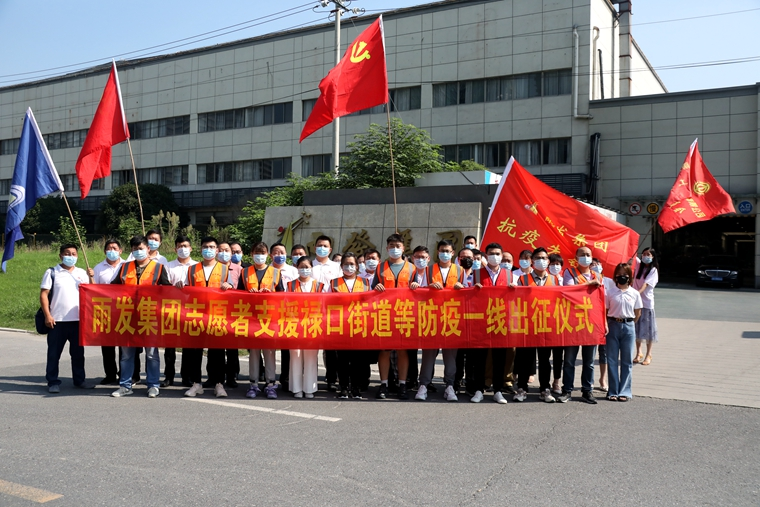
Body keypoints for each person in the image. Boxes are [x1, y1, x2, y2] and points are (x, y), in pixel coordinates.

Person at [111, 235, 171, 398]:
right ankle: (125, 385)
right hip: (127, 317)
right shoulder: (124, 268)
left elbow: (168, 291)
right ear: (131, 250)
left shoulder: (158, 268)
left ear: (148, 249)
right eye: (135, 249)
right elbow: (111, 289)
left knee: (151, 354)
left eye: (141, 248)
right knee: (127, 354)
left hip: (150, 316)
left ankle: (153, 385)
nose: (138, 251)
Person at [412, 240, 464, 402]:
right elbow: (418, 291)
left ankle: (449, 386)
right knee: (428, 354)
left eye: (447, 251)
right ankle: (424, 385)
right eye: (442, 250)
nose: (444, 253)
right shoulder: (428, 270)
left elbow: (468, 290)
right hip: (432, 317)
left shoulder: (460, 270)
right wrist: (425, 287)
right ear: (437, 252)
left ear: (453, 253)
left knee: (450, 355)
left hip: (451, 317)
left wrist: (461, 287)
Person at [181, 237, 231, 398]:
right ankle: (196, 383)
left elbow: (233, 291)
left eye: (211, 247)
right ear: (200, 249)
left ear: (217, 250)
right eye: (205, 247)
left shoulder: (224, 269)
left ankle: (218, 384)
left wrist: (229, 286)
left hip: (217, 315)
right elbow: (187, 290)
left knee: (217, 351)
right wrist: (179, 287)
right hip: (197, 314)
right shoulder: (192, 269)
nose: (208, 249)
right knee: (195, 351)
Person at [41, 244, 94, 393]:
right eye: (67, 253)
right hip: (57, 320)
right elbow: (44, 294)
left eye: (73, 254)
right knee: (54, 353)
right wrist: (48, 315)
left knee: (78, 354)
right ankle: (52, 382)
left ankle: (79, 380)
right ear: (60, 256)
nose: (71, 256)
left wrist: (91, 278)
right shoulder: (52, 272)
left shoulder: (82, 273)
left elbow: (93, 293)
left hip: (78, 320)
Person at [237, 242, 285, 399]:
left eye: (262, 252)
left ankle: (271, 384)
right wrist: (247, 294)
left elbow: (283, 296)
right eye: (257, 252)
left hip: (269, 319)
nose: (259, 255)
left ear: (268, 255)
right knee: (254, 353)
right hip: (251, 319)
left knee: (269, 352)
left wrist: (270, 293)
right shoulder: (245, 272)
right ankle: (254, 384)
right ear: (251, 254)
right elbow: (236, 295)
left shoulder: (276, 273)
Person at [372, 234, 416, 400]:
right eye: (391, 246)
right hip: (385, 313)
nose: (394, 249)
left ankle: (402, 385)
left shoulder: (411, 268)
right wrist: (377, 287)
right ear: (386, 248)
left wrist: (415, 286)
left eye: (398, 246)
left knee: (403, 350)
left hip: (405, 314)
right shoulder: (380, 267)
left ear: (403, 248)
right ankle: (384, 384)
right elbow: (372, 290)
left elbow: (418, 289)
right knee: (384, 350)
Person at [557, 247, 602, 404]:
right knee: (569, 360)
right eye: (582, 255)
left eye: (588, 255)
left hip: (591, 323)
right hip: (573, 323)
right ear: (576, 257)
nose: (585, 257)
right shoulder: (570, 273)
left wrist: (603, 322)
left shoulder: (598, 275)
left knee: (589, 362)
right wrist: (591, 284)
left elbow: (602, 301)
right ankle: (567, 390)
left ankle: (587, 391)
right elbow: (569, 291)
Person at [515, 247, 560, 403]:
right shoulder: (523, 279)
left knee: (545, 359)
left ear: (548, 261)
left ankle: (545, 389)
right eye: (538, 258)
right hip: (527, 325)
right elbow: (517, 301)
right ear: (532, 261)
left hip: (547, 325)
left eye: (544, 258)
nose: (542, 260)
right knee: (525, 359)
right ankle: (521, 388)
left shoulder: (555, 280)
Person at [322, 253, 370, 399]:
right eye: (346, 264)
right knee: (342, 359)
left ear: (357, 266)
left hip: (358, 326)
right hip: (340, 326)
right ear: (341, 266)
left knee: (357, 360)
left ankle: (355, 387)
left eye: (352, 264)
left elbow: (371, 303)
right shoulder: (334, 283)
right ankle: (343, 387)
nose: (349, 267)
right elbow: (326, 302)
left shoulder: (365, 283)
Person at [470, 242, 511, 404]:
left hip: (501, 321)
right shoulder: (476, 274)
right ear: (486, 256)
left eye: (498, 254)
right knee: (479, 358)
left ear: (502, 256)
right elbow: (466, 295)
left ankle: (498, 390)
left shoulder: (509, 275)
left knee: (499, 357)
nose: (495, 256)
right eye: (492, 253)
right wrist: (474, 290)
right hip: (481, 321)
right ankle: (479, 389)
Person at [161, 235, 197, 387]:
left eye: (186, 246)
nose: (183, 249)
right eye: (180, 246)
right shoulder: (168, 266)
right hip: (172, 309)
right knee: (170, 347)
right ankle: (169, 376)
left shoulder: (197, 266)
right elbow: (163, 286)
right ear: (175, 249)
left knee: (188, 346)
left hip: (191, 309)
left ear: (191, 248)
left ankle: (186, 376)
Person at [88, 239, 124, 385]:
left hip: (123, 310)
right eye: (109, 248)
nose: (112, 251)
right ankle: (110, 374)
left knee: (124, 346)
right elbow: (93, 289)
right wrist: (90, 277)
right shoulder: (98, 268)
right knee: (107, 345)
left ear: (121, 251)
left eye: (115, 248)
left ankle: (124, 373)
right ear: (104, 251)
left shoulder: (127, 266)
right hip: (105, 311)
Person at [605, 263, 643, 402]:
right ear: (615, 276)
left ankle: (625, 391)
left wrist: (630, 323)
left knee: (627, 361)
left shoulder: (634, 293)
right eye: (619, 274)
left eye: (625, 274)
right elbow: (606, 311)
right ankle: (613, 391)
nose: (622, 277)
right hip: (613, 325)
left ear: (629, 277)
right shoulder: (610, 292)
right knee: (612, 359)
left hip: (628, 327)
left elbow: (637, 312)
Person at [311, 235, 341, 391]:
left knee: (331, 347)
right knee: (310, 345)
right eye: (319, 245)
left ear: (330, 249)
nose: (322, 248)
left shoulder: (337, 267)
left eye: (325, 246)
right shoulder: (308, 265)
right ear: (314, 247)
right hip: (311, 311)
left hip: (331, 311)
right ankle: (309, 377)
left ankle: (331, 379)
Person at [287, 256, 320, 398]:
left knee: (311, 356)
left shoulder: (319, 285)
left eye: (307, 267)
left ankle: (310, 388)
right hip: (294, 324)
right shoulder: (290, 285)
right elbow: (285, 304)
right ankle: (296, 388)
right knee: (295, 355)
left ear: (311, 268)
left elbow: (324, 305)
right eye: (301, 267)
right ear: (297, 268)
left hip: (313, 324)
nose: (304, 270)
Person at [270, 242, 297, 390]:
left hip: (289, 314)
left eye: (282, 252)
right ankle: (270, 378)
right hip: (271, 313)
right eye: (276, 252)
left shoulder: (293, 271)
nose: (279, 255)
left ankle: (285, 378)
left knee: (287, 348)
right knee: (270, 347)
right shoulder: (267, 271)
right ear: (270, 255)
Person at [214, 241, 241, 388]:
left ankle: (231, 376)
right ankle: (214, 377)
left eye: (227, 250)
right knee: (215, 348)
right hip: (214, 311)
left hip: (233, 312)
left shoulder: (238, 269)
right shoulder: (211, 267)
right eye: (221, 250)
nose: (224, 252)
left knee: (232, 348)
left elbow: (241, 289)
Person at [455, 247, 476, 393]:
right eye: (463, 257)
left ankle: (470, 384)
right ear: (458, 259)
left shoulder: (478, 276)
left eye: (469, 257)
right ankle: (455, 383)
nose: (466, 259)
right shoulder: (454, 275)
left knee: (471, 357)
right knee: (457, 355)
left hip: (474, 321)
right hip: (457, 320)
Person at [633, 247, 659, 366]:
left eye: (648, 254)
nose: (645, 256)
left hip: (647, 304)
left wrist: (636, 293)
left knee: (648, 331)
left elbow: (645, 284)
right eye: (644, 254)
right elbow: (631, 256)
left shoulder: (653, 270)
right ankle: (639, 353)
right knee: (637, 328)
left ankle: (649, 354)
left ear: (653, 257)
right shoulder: (638, 266)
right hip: (635, 303)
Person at [548, 252, 565, 396]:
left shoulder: (566, 279)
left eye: (557, 264)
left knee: (558, 355)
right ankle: (545, 382)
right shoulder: (546, 279)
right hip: (545, 320)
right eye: (552, 264)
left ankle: (557, 381)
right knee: (544, 355)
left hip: (561, 322)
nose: (555, 266)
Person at [591, 257, 609, 392]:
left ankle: (603, 379)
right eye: (593, 264)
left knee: (604, 353)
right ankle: (589, 380)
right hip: (589, 320)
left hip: (605, 320)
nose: (596, 266)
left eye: (598, 264)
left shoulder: (608, 282)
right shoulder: (587, 281)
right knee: (590, 353)